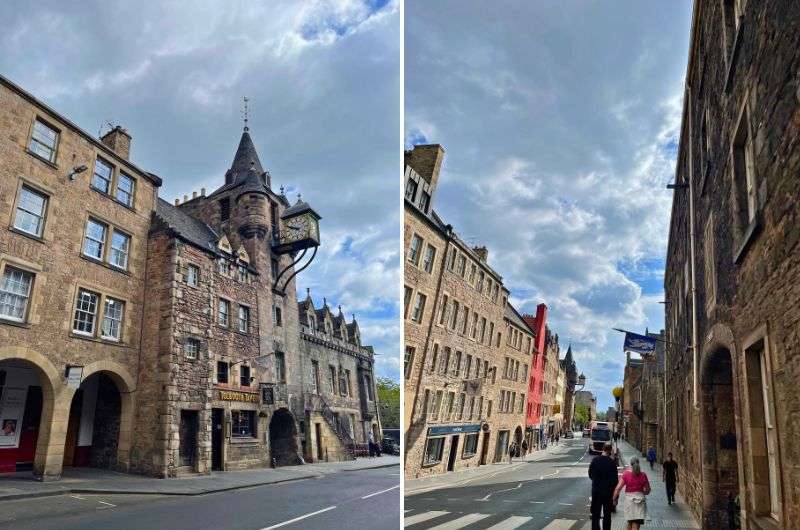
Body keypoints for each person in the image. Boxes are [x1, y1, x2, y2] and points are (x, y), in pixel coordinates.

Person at [613, 456, 651, 530]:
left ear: (631, 464)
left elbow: (618, 488)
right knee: (636, 523)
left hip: (629, 501)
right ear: (638, 463)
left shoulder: (626, 474)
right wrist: (643, 492)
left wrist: (614, 499)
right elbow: (648, 490)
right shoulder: (643, 475)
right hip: (640, 501)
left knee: (630, 522)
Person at [588, 442, 618, 530]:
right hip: (608, 493)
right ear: (610, 451)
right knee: (607, 515)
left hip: (596, 491)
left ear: (603, 449)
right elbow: (615, 481)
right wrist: (615, 496)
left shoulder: (595, 460)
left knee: (595, 514)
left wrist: (596, 480)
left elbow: (590, 475)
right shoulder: (612, 463)